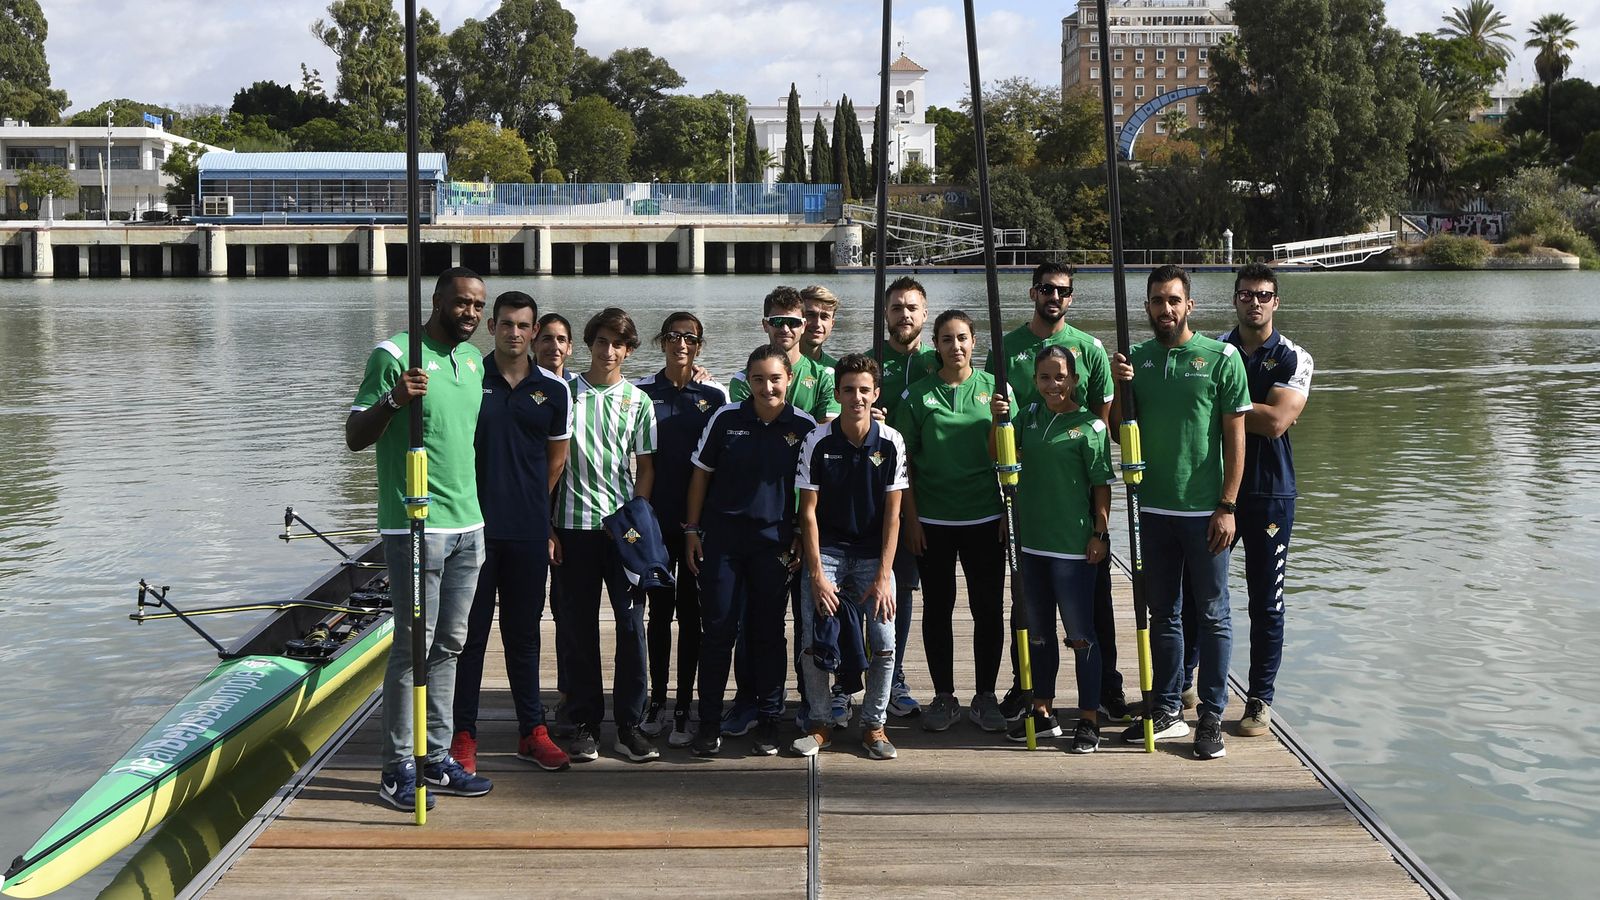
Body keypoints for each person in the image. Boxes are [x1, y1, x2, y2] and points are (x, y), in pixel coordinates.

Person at [345, 266, 494, 809]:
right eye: (461, 303)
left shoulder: (474, 360)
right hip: (415, 523)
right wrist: (394, 400)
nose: (470, 314)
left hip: (468, 523)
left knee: (451, 646)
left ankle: (437, 757)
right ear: (435, 300)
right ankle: (397, 768)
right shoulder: (394, 354)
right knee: (413, 650)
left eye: (478, 306)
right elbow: (354, 436)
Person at [1111, 264, 1250, 760]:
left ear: (1189, 305)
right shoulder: (1139, 360)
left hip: (1206, 511)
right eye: (1156, 301)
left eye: (1173, 300)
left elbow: (1236, 441)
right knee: (1163, 612)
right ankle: (1168, 708)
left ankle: (1211, 715)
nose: (1164, 309)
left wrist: (1228, 506)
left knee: (1213, 614)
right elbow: (1116, 432)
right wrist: (1118, 384)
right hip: (1153, 509)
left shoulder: (1220, 358)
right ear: (1146, 307)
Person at [984, 262, 1129, 725]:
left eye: (1063, 291)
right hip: (1031, 504)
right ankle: (1028, 689)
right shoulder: (1006, 348)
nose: (1055, 297)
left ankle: (1106, 689)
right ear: (1033, 292)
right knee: (1027, 609)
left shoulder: (1089, 348)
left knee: (1094, 601)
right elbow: (1002, 434)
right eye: (1047, 289)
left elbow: (1103, 419)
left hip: (1077, 497)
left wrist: (1099, 526)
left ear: (1071, 296)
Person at [448, 291, 572, 776]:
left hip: (525, 530)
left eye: (523, 326)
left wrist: (532, 508)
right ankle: (463, 734)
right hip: (471, 526)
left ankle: (531, 731)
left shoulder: (554, 391)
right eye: (505, 325)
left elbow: (556, 459)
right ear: (491, 328)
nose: (514, 334)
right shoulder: (469, 378)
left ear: (535, 331)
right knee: (470, 636)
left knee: (523, 636)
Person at [684, 345, 817, 757]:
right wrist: (691, 529)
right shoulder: (726, 418)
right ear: (747, 381)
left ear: (788, 379)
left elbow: (810, 492)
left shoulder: (805, 426)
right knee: (719, 630)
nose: (767, 386)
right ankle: (708, 723)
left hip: (774, 544)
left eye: (775, 378)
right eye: (758, 379)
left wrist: (799, 533)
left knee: (768, 633)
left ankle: (769, 721)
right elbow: (700, 476)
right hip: (723, 542)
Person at [723, 286, 839, 736]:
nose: (788, 329)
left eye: (796, 321)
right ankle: (749, 698)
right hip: (763, 520)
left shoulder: (824, 375)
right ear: (765, 325)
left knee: (809, 617)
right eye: (779, 321)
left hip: (808, 518)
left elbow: (824, 433)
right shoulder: (743, 377)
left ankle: (812, 700)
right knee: (752, 620)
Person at [890, 309, 1008, 734]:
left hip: (984, 517)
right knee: (938, 607)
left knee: (987, 608)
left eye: (962, 338)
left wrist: (999, 419)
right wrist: (912, 520)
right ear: (935, 346)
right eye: (946, 339)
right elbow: (903, 467)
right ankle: (943, 696)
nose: (954, 346)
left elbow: (1007, 460)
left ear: (974, 342)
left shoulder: (996, 390)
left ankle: (986, 695)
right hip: (934, 520)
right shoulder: (918, 396)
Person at [991, 346, 1113, 753]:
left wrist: (1100, 533)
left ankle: (1089, 719)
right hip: (1031, 546)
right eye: (1045, 377)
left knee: (1080, 635)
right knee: (1038, 635)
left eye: (1060, 376)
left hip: (1073, 549)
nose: (1052, 384)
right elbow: (998, 456)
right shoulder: (1025, 417)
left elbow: (1101, 486)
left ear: (1074, 379)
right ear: (1036, 381)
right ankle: (1042, 713)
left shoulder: (1090, 427)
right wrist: (997, 420)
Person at [551, 307, 659, 764]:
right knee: (577, 632)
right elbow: (551, 464)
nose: (609, 351)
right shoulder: (565, 394)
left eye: (618, 344)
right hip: (572, 530)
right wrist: (546, 527)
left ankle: (629, 725)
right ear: (588, 344)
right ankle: (583, 723)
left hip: (620, 534)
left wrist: (634, 525)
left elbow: (646, 470)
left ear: (628, 351)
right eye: (601, 341)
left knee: (632, 629)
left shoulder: (639, 402)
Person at [792, 354, 908, 760]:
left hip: (874, 555)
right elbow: (807, 512)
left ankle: (874, 725)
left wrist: (883, 575)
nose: (856, 397)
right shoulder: (817, 440)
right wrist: (817, 575)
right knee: (813, 641)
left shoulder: (892, 441)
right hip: (828, 553)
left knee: (884, 642)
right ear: (837, 393)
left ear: (876, 393)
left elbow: (894, 516)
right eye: (848, 389)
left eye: (864, 390)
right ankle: (821, 722)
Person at [1220, 263, 1313, 737]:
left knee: (1266, 603)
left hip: (1271, 493)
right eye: (1246, 294)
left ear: (1276, 301)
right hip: (1217, 492)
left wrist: (1223, 405)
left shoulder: (1296, 357)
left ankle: (1259, 699)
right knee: (1203, 596)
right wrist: (1252, 409)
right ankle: (1193, 689)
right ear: (1234, 299)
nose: (1254, 302)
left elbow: (1277, 421)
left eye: (1263, 295)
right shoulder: (1214, 352)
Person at [634, 313, 727, 749]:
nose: (681, 344)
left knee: (692, 616)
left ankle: (686, 705)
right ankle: (657, 700)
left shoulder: (713, 396)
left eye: (690, 338)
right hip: (654, 524)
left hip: (696, 527)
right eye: (673, 336)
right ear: (662, 341)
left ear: (699, 346)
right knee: (658, 615)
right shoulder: (641, 394)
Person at [868, 276, 940, 718]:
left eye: (912, 307)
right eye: (896, 308)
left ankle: (894, 678)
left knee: (904, 587)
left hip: (919, 494)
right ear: (886, 315)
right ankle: (852, 676)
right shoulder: (871, 364)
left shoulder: (940, 360)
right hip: (870, 492)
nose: (904, 315)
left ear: (925, 313)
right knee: (859, 583)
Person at [534, 311, 578, 738]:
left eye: (561, 339)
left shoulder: (576, 391)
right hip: (532, 518)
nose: (554, 346)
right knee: (535, 613)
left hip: (570, 520)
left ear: (570, 347)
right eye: (546, 338)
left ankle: (569, 695)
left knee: (567, 615)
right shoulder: (521, 384)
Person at [800, 284, 840, 368]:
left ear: (832, 324)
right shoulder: (777, 366)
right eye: (811, 315)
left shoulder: (836, 370)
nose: (817, 324)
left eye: (824, 317)